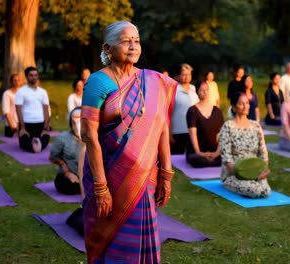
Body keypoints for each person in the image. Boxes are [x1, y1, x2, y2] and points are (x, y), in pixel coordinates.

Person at [80, 21, 177, 263]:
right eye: (126, 40)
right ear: (107, 48)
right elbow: (89, 135)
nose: (133, 45)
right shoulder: (98, 82)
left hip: (145, 179)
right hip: (110, 179)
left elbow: (162, 127)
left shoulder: (153, 82)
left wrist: (166, 173)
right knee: (110, 237)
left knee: (143, 234)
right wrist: (101, 188)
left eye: (136, 40)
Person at [219, 92, 271, 198]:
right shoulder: (228, 126)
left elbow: (263, 152)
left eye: (247, 103)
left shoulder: (256, 126)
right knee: (255, 191)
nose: (245, 106)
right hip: (235, 174)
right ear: (233, 107)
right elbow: (227, 158)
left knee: (266, 191)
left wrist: (264, 170)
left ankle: (255, 182)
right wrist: (244, 173)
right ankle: (234, 183)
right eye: (241, 104)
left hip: (255, 172)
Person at [186, 80, 224, 168]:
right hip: (198, 151)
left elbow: (221, 134)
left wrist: (217, 153)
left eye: (206, 90)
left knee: (226, 157)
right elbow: (193, 134)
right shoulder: (192, 111)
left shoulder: (217, 111)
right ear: (197, 92)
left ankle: (212, 159)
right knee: (197, 160)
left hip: (214, 150)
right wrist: (199, 152)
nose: (205, 92)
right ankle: (207, 160)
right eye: (201, 90)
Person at [15, 67, 51, 153]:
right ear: (26, 77)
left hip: (40, 123)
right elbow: (18, 110)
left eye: (35, 75)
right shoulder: (21, 92)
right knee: (23, 141)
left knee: (46, 136)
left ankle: (36, 143)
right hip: (27, 124)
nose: (34, 77)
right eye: (31, 75)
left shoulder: (43, 92)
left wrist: (45, 128)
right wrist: (22, 128)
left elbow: (46, 110)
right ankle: (35, 144)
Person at [49, 107, 82, 195]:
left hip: (87, 176)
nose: (78, 125)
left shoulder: (94, 138)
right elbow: (53, 158)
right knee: (68, 185)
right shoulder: (62, 138)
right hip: (68, 176)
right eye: (75, 122)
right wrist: (66, 171)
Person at [170, 63, 199, 154]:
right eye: (184, 74)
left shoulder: (194, 89)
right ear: (178, 76)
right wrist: (169, 133)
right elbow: (167, 113)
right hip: (178, 131)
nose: (187, 77)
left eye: (189, 74)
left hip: (193, 130)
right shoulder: (173, 90)